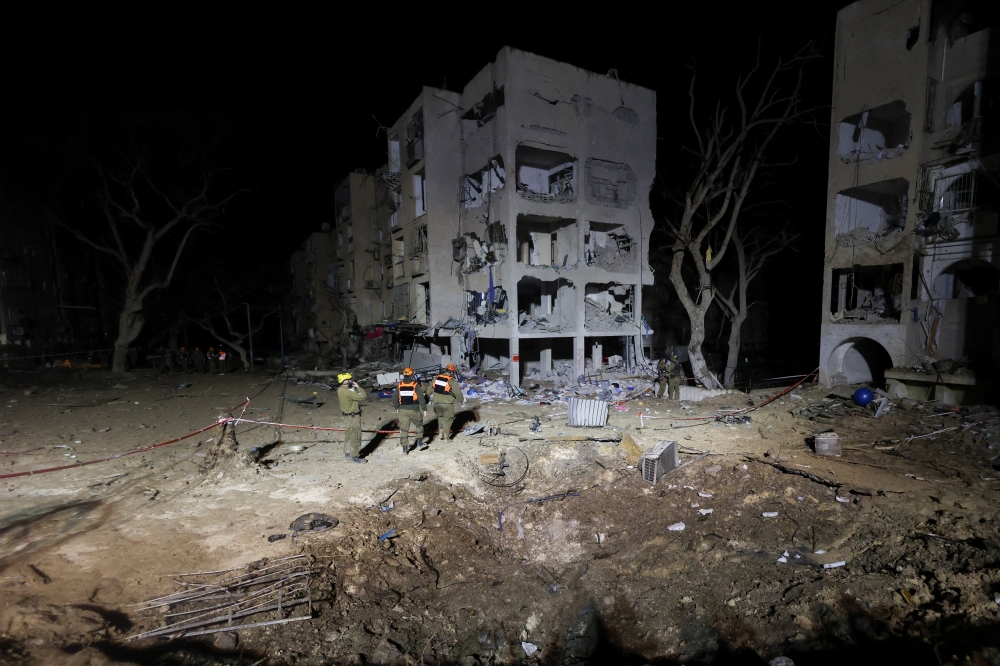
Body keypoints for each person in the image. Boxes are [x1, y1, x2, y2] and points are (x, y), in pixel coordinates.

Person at [393, 367, 426, 454]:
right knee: (419, 424)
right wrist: (424, 409)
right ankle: (419, 442)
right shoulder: (415, 385)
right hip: (414, 410)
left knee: (404, 429)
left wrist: (397, 407)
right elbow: (421, 398)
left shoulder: (399, 385)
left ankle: (405, 448)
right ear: (412, 375)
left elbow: (394, 397)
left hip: (402, 410)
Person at [337, 372, 367, 464]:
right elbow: (363, 396)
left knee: (348, 435)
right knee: (355, 436)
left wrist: (352, 388)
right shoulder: (348, 392)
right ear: (346, 380)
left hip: (347, 416)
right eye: (350, 379)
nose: (352, 380)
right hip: (353, 417)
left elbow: (351, 394)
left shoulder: (341, 390)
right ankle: (355, 456)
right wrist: (358, 387)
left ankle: (347, 453)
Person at [431, 364, 464, 440]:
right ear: (452, 372)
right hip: (447, 404)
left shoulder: (436, 378)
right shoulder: (451, 380)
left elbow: (430, 388)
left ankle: (440, 433)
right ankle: (446, 437)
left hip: (437, 403)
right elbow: (457, 392)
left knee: (440, 417)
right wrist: (461, 400)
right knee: (448, 419)